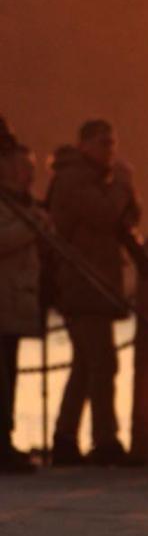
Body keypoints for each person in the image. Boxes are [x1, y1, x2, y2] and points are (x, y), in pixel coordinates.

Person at [46, 119, 143, 466]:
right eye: (103, 144)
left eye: (113, 144)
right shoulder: (73, 179)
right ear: (84, 144)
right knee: (101, 363)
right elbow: (105, 215)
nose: (110, 151)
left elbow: (129, 217)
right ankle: (105, 441)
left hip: (99, 284)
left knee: (87, 364)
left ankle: (66, 438)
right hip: (82, 284)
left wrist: (123, 189)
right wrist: (122, 184)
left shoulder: (100, 179)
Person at [0, 136, 43, 473]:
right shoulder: (12, 208)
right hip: (5, 299)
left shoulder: (24, 204)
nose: (31, 175)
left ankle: (7, 437)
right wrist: (33, 227)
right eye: (25, 168)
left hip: (17, 301)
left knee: (10, 374)